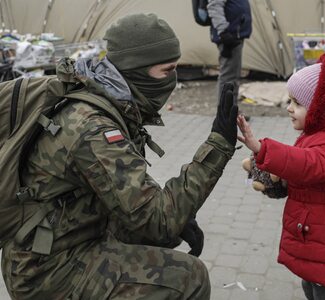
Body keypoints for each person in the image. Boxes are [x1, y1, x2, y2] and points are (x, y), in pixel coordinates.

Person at [1, 13, 238, 299]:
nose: (173, 80)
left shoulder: (107, 99)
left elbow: (135, 206)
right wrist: (218, 146)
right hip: (48, 270)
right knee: (189, 277)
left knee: (162, 239)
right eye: (167, 70)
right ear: (135, 68)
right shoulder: (92, 127)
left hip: (69, 239)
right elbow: (158, 219)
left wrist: (178, 222)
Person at [237, 53, 325, 300]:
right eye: (290, 100)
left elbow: (310, 165)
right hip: (315, 233)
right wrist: (274, 176)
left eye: (298, 103)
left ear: (324, 109)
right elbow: (299, 165)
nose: (289, 108)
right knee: (311, 286)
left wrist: (264, 150)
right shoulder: (318, 133)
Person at [207, 0, 252, 100]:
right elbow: (214, 7)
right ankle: (224, 113)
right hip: (228, 37)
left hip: (234, 35)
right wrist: (223, 31)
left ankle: (231, 111)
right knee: (228, 77)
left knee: (233, 77)